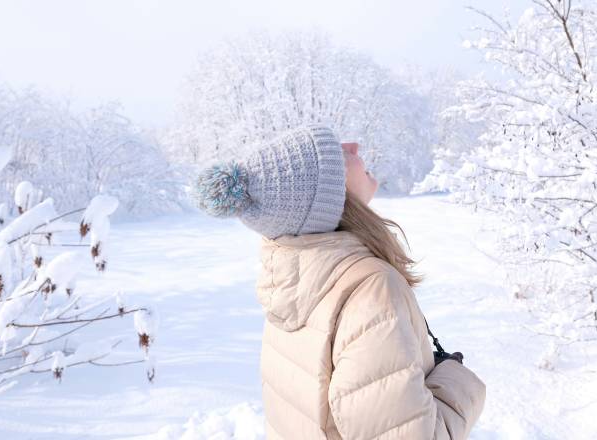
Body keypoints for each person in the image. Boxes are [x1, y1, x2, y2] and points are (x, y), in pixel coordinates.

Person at [193, 124, 486, 439]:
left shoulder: (288, 281)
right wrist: (458, 383)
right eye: (339, 153)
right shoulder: (371, 290)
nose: (354, 145)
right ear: (333, 193)